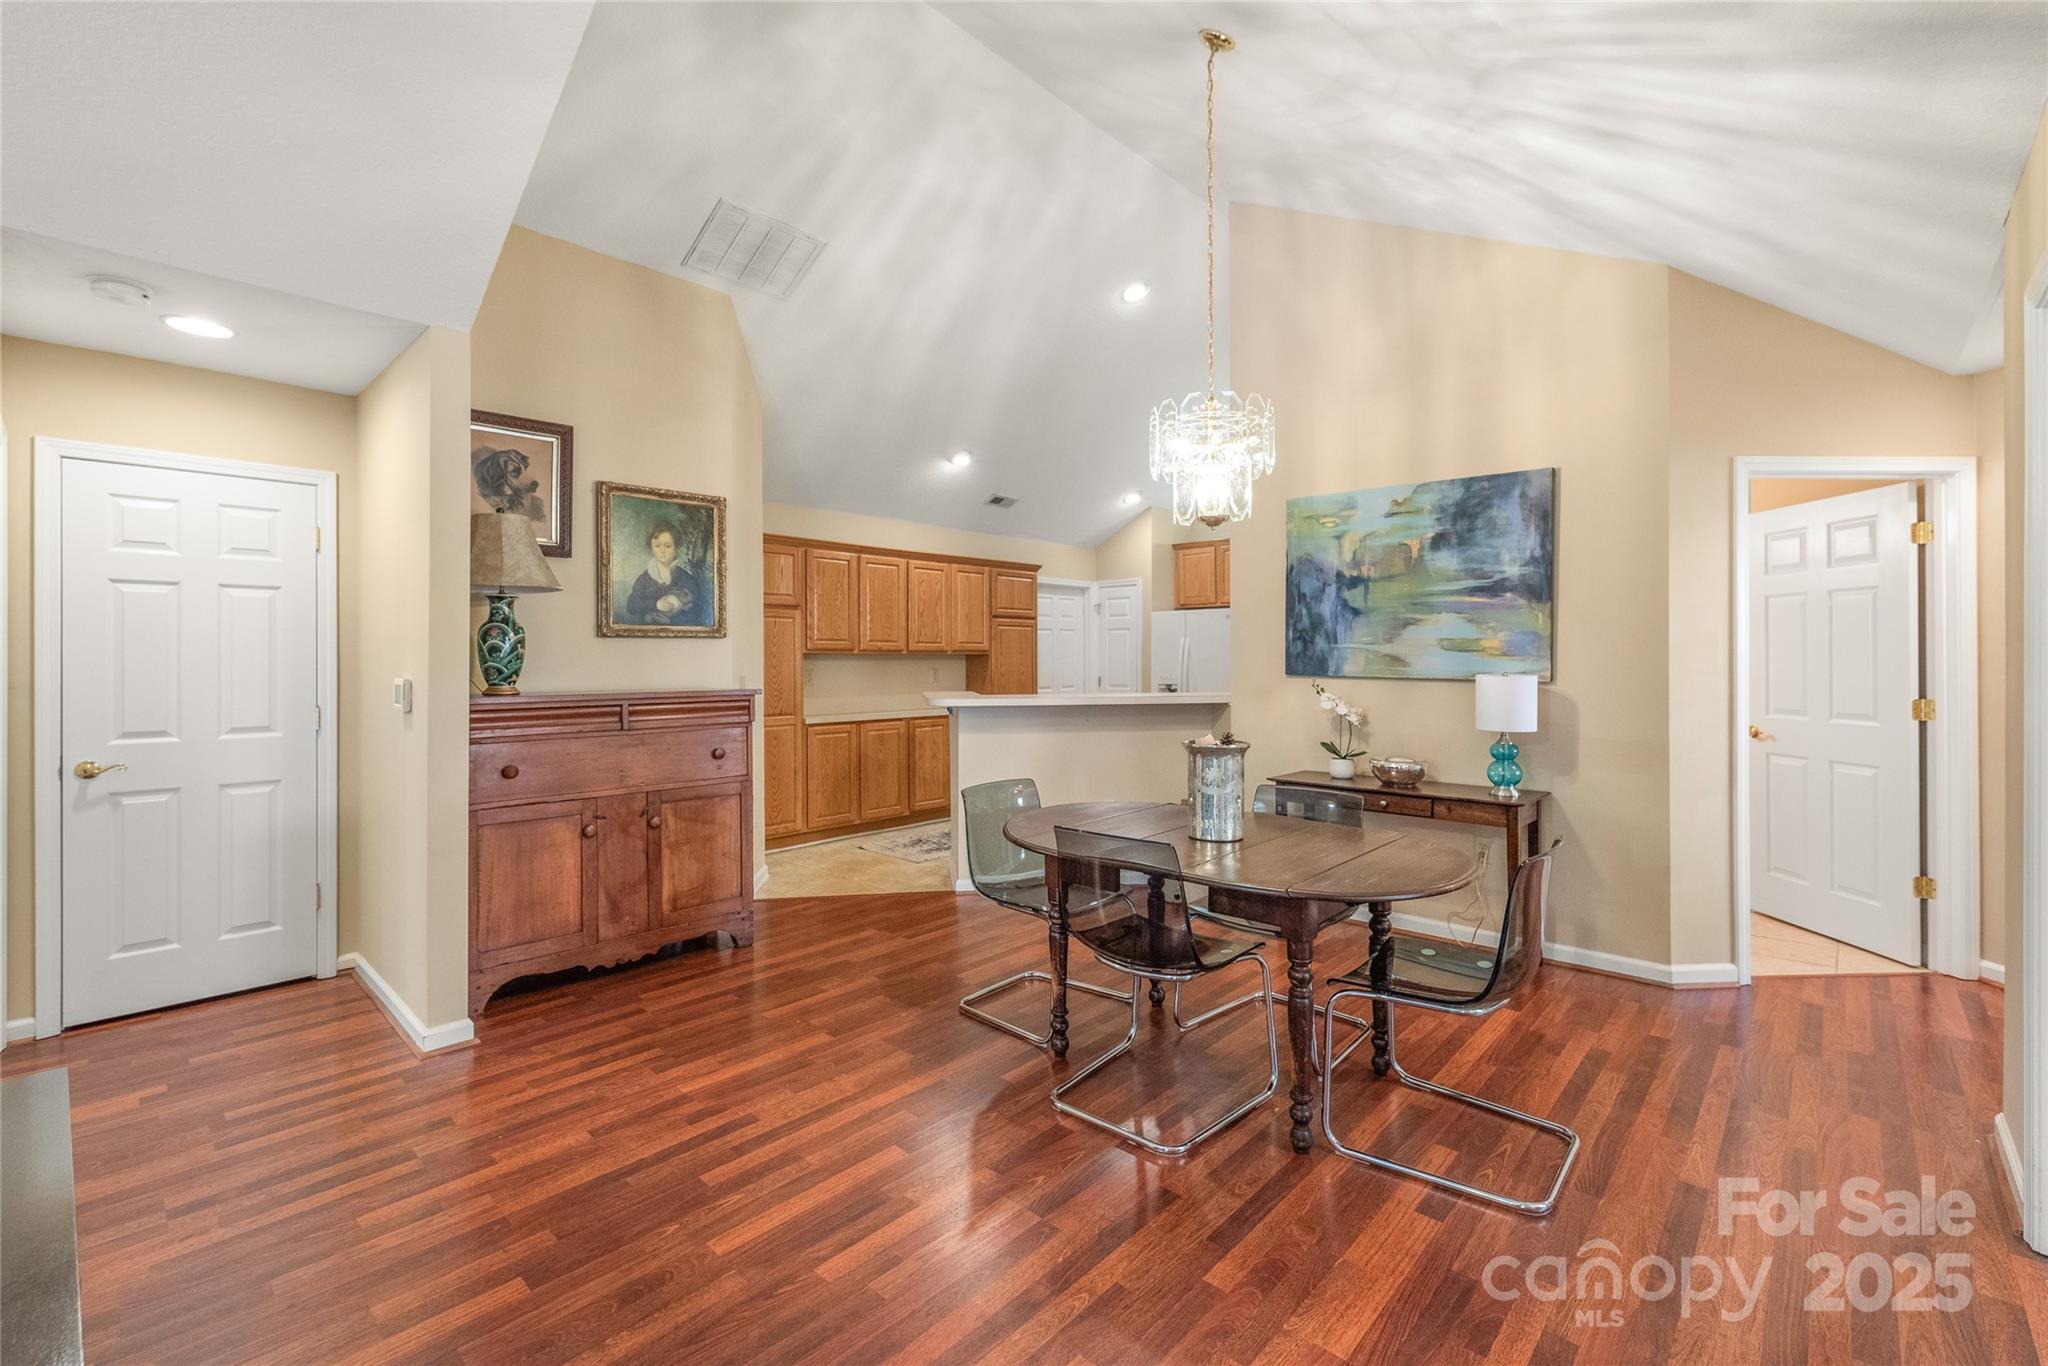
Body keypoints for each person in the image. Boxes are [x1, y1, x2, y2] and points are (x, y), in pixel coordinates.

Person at [624, 519, 710, 627]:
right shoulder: (644, 578)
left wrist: (674, 616)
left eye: (668, 546)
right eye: (657, 546)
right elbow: (631, 605)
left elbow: (696, 611)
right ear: (651, 547)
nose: (662, 551)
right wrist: (655, 605)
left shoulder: (687, 579)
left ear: (676, 548)